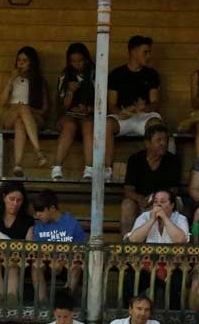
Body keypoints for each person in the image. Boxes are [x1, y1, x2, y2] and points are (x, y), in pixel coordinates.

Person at [105, 35, 163, 170]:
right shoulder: (116, 74)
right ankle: (107, 171)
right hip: (123, 117)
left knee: (156, 126)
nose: (148, 56)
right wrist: (121, 113)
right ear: (133, 52)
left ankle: (154, 169)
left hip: (144, 116)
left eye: (149, 52)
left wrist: (146, 108)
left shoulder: (152, 74)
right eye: (145, 52)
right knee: (106, 125)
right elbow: (111, 104)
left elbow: (156, 103)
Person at [120, 126, 180, 235]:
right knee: (127, 205)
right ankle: (127, 245)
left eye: (165, 140)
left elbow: (174, 189)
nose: (163, 144)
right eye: (159, 140)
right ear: (147, 143)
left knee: (165, 205)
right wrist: (140, 199)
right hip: (139, 200)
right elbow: (128, 189)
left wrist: (155, 199)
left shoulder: (172, 160)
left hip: (163, 199)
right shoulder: (135, 160)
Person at [48, 43, 91, 181]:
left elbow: (103, 101)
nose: (76, 64)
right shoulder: (65, 75)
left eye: (80, 61)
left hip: (88, 115)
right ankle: (56, 167)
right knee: (69, 126)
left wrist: (88, 109)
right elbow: (62, 107)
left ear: (86, 60)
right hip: (69, 116)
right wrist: (70, 92)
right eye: (73, 61)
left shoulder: (95, 74)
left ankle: (89, 169)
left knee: (89, 125)